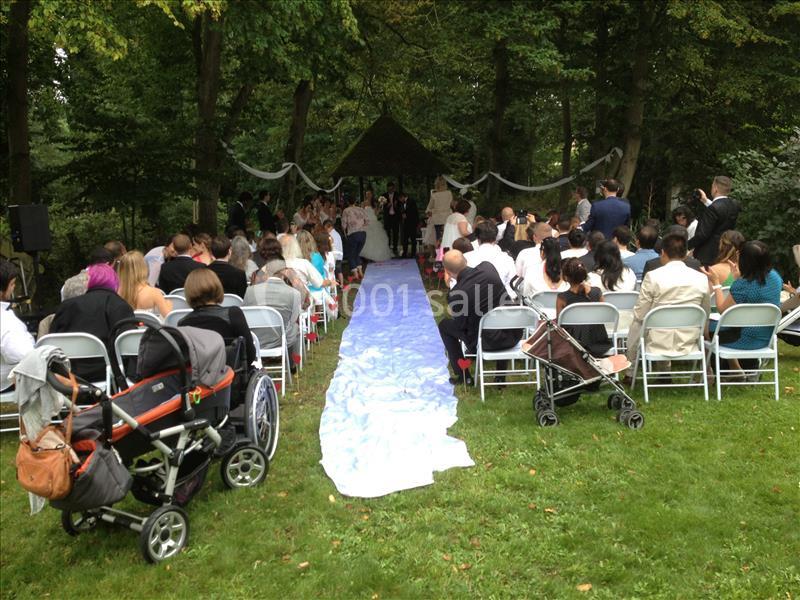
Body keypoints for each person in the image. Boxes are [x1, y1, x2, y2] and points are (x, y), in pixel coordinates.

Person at [624, 232, 710, 369]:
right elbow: (705, 313)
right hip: (688, 340)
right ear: (685, 254)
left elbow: (640, 313)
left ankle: (630, 369)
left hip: (657, 339)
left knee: (637, 322)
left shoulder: (653, 276)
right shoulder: (701, 278)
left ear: (663, 253)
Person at [437, 250, 521, 386]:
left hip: (484, 343)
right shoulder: (488, 268)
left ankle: (464, 376)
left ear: (447, 271)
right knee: (498, 310)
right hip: (513, 334)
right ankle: (500, 377)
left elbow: (461, 326)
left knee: (444, 325)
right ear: (465, 260)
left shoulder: (456, 294)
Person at [51, 263, 135, 382]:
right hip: (106, 373)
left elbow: (52, 341)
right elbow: (129, 346)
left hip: (69, 373)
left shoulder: (66, 306)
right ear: (115, 282)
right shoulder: (119, 305)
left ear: (90, 282)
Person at [702, 240, 782, 357]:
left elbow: (722, 310)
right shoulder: (776, 278)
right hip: (766, 338)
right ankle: (735, 366)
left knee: (704, 326)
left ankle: (708, 366)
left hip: (741, 339)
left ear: (745, 261)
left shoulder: (743, 284)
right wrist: (739, 278)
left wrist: (716, 283)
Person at [178, 269, 256, 367]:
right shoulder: (233, 314)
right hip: (232, 372)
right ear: (217, 287)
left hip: (200, 374)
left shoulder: (183, 323)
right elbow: (250, 354)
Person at [244, 257, 302, 360]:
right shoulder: (294, 293)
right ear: (284, 273)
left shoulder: (250, 291)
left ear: (266, 272)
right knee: (296, 326)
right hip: (280, 340)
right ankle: (292, 363)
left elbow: (245, 315)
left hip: (255, 339)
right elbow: (292, 320)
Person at [556, 258, 612, 357]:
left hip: (574, 343)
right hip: (599, 340)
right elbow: (603, 316)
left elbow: (559, 324)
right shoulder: (597, 292)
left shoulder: (562, 298)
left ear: (565, 277)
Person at [688, 175, 739, 265]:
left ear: (715, 189)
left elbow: (702, 234)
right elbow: (720, 211)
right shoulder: (734, 205)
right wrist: (705, 200)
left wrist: (686, 246)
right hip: (725, 252)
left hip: (707, 255)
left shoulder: (713, 208)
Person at [1, 260, 35, 391]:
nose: (14, 287)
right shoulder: (6, 321)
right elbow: (24, 356)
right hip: (7, 384)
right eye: (12, 284)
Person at [253, 237, 310, 309]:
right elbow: (305, 299)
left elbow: (252, 300)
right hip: (285, 312)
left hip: (263, 313)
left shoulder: (256, 275)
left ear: (261, 253)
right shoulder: (288, 272)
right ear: (280, 251)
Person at [465, 221, 517, 299]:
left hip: (474, 298)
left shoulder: (466, 257)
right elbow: (513, 282)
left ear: (477, 238)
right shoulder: (506, 258)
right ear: (495, 237)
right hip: (502, 299)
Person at [117, 251, 173, 317]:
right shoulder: (154, 293)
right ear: (143, 267)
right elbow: (169, 318)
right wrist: (169, 305)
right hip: (149, 324)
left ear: (121, 270)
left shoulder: (117, 293)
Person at [360, 193, 393, 263]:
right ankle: (367, 257)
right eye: (367, 194)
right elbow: (361, 213)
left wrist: (381, 206)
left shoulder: (374, 203)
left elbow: (376, 214)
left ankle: (376, 256)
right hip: (367, 222)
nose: (368, 195)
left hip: (374, 221)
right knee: (367, 240)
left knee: (377, 239)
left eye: (369, 194)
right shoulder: (363, 203)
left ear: (372, 195)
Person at [341, 197, 368, 278]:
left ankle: (356, 274)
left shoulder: (346, 210)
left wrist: (345, 232)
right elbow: (367, 221)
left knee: (351, 254)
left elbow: (344, 224)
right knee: (356, 254)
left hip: (353, 234)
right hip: (363, 234)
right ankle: (360, 272)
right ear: (355, 202)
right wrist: (362, 226)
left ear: (347, 202)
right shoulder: (361, 209)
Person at [426, 176, 454, 242]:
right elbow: (451, 204)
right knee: (448, 236)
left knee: (438, 237)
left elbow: (429, 207)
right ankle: (448, 248)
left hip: (437, 218)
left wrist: (428, 211)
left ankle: (439, 248)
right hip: (447, 217)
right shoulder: (449, 193)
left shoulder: (434, 195)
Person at [382, 182, 400, 256]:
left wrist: (396, 205)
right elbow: (382, 206)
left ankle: (395, 249)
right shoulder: (383, 196)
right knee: (387, 233)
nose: (390, 190)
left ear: (394, 188)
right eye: (389, 189)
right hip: (387, 217)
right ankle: (388, 248)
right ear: (387, 188)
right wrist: (387, 205)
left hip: (395, 216)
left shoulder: (397, 195)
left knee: (396, 233)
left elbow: (401, 205)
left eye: (392, 189)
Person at [399, 192, 419, 258]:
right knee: (405, 239)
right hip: (405, 224)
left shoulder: (412, 201)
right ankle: (404, 253)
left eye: (400, 199)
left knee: (413, 239)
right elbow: (402, 211)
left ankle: (413, 253)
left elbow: (414, 212)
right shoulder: (402, 203)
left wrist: (406, 215)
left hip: (412, 223)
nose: (400, 201)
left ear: (403, 197)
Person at [324, 219, 344, 284]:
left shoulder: (331, 234)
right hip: (339, 254)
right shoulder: (337, 233)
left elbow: (332, 245)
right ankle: (342, 284)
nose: (326, 230)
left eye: (326, 229)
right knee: (339, 270)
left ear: (330, 227)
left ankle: (333, 283)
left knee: (332, 270)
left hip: (334, 255)